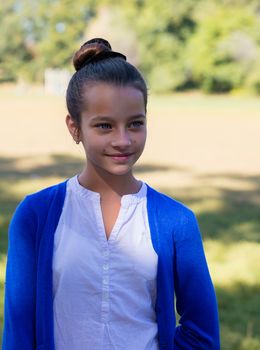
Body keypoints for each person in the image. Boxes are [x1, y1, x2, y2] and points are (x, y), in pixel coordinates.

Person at [2, 38, 220, 350]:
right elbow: (18, 334)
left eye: (135, 124)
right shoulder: (34, 215)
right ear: (74, 127)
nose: (123, 140)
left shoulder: (176, 221)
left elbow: (202, 334)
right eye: (104, 126)